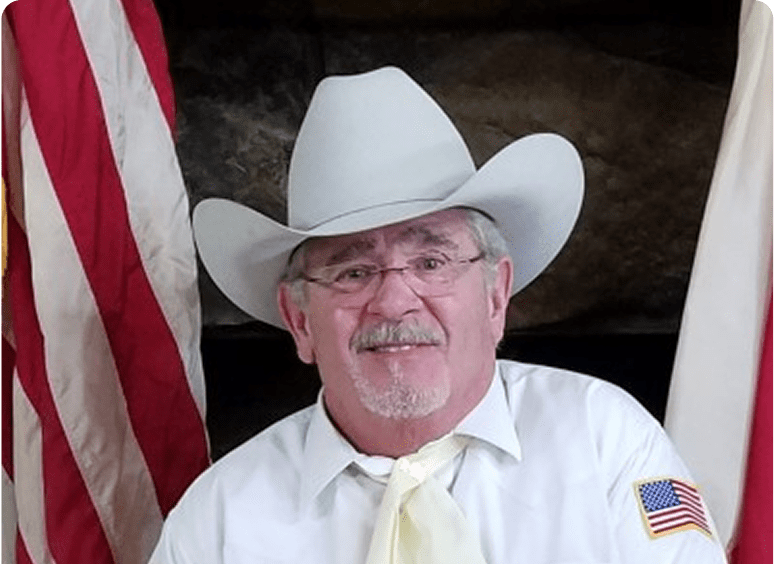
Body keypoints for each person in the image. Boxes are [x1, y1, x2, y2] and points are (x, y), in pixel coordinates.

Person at [149, 66, 727, 563]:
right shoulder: (219, 520)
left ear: (496, 295)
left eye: (430, 261)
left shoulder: (607, 442)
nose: (395, 301)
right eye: (353, 272)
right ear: (299, 321)